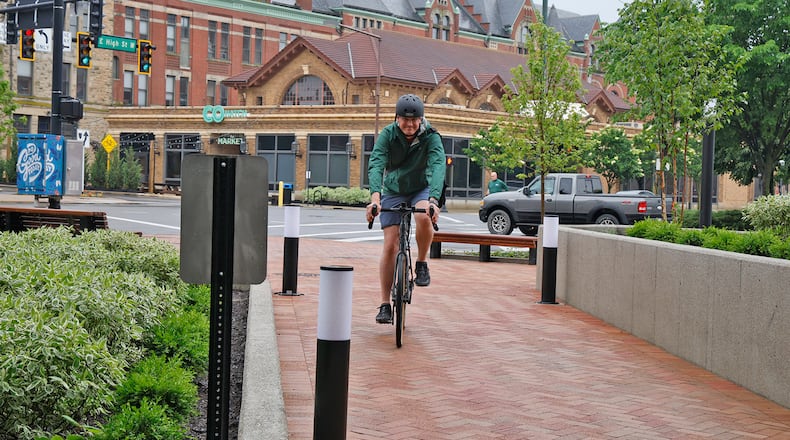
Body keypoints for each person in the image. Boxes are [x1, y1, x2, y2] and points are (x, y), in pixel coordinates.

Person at [366, 94, 446, 324]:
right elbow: (376, 163)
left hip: (422, 188)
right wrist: (375, 199)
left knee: (423, 217)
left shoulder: (431, 136)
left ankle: (421, 263)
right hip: (394, 189)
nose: (410, 125)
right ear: (397, 118)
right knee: (390, 246)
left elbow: (439, 166)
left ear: (421, 119)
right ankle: (384, 304)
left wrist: (434, 200)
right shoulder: (388, 135)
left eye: (415, 120)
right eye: (405, 120)